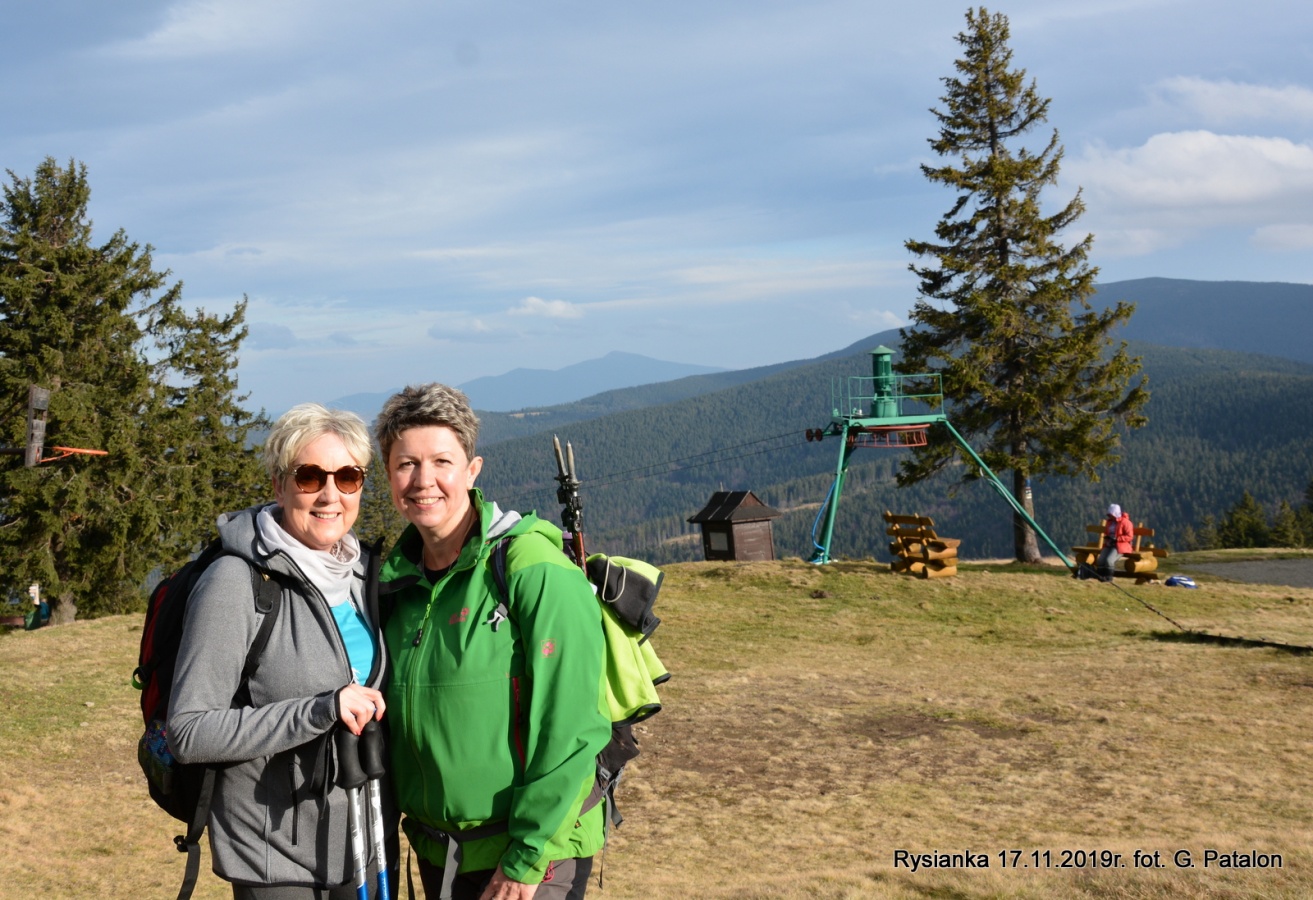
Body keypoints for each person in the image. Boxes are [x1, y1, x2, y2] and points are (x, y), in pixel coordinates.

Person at [375, 383, 610, 900]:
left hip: (531, 857)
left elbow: (571, 726)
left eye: (442, 461)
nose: (423, 480)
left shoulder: (531, 568)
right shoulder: (395, 585)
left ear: (472, 470)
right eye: (406, 464)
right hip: (440, 853)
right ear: (388, 475)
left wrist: (525, 859)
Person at [168, 403, 395, 899]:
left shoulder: (362, 575)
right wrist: (319, 710)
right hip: (275, 858)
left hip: (365, 845)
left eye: (348, 477)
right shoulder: (235, 582)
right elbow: (188, 731)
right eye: (310, 477)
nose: (330, 495)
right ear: (279, 485)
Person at [1097, 503, 1134, 581]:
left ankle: (1108, 578)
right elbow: (1107, 532)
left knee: (1109, 560)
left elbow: (1130, 536)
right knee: (1100, 560)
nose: (1110, 516)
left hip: (1121, 545)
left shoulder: (1125, 522)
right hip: (1109, 544)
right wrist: (1107, 537)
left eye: (1111, 514)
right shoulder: (1109, 522)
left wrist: (1118, 539)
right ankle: (1100, 577)